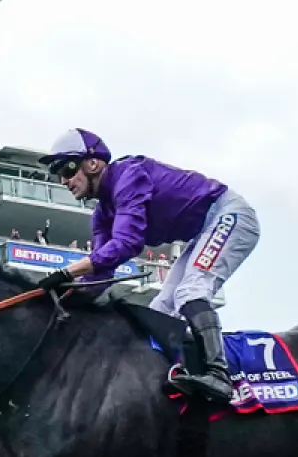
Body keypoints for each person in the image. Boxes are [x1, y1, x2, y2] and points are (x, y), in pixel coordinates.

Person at [34, 128, 261, 404]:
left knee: (190, 292)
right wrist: (62, 300)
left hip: (229, 214)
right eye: (59, 174)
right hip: (203, 231)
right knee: (160, 309)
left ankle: (219, 376)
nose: (64, 181)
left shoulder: (129, 175)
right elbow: (102, 276)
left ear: (92, 163)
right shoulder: (102, 214)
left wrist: (66, 272)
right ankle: (176, 378)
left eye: (67, 170)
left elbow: (127, 243)